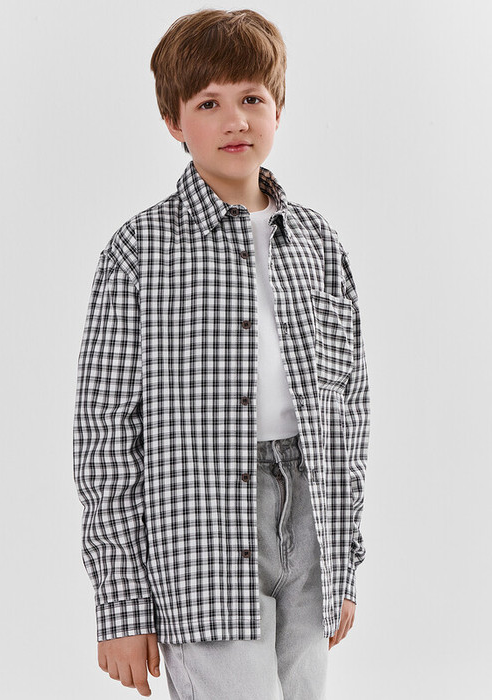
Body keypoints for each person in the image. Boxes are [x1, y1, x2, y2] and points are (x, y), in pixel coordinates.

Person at [72, 8, 370, 699]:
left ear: (278, 108)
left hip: (310, 518)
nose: (235, 120)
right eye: (208, 103)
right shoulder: (139, 252)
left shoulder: (319, 246)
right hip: (197, 524)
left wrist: (345, 564)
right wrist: (120, 605)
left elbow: (348, 411)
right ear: (173, 122)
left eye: (251, 98)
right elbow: (105, 432)